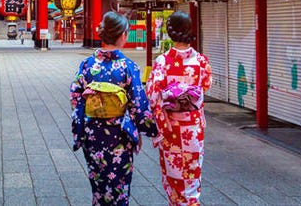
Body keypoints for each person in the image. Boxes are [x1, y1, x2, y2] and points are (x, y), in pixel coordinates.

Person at [70, 11, 158, 205]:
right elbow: (138, 104)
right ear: (123, 35)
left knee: (99, 184)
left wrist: (82, 123)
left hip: (92, 132)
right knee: (120, 185)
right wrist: (145, 130)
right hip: (119, 134)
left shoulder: (87, 65)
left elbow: (75, 96)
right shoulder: (128, 66)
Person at [146, 11, 212, 206]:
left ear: (170, 32)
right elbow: (206, 85)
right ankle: (191, 202)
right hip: (192, 128)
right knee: (192, 174)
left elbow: (152, 94)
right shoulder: (201, 61)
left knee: (173, 176)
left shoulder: (162, 62)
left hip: (171, 127)